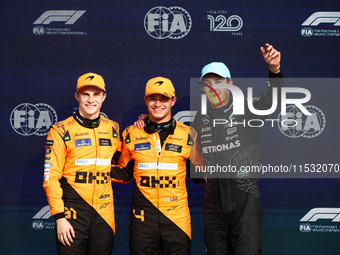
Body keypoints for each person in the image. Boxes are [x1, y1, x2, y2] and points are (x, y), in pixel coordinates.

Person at [193, 43, 284, 255]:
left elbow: (273, 100)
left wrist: (275, 70)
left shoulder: (246, 109)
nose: (213, 87)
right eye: (207, 82)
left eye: (218, 81)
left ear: (230, 84)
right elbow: (194, 157)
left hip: (245, 198)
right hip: (213, 201)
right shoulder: (200, 118)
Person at [110, 76, 204, 255]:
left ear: (173, 101)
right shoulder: (131, 133)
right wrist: (87, 167)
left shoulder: (188, 134)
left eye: (164, 99)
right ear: (145, 100)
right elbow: (124, 173)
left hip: (177, 219)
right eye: (153, 98)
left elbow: (198, 174)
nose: (158, 104)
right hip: (142, 220)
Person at [43, 72, 122, 255]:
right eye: (85, 94)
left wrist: (145, 122)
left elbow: (124, 164)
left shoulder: (113, 128)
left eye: (96, 94)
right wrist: (59, 217)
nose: (90, 100)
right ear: (77, 96)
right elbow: (50, 177)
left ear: (104, 97)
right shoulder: (60, 130)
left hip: (105, 215)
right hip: (72, 216)